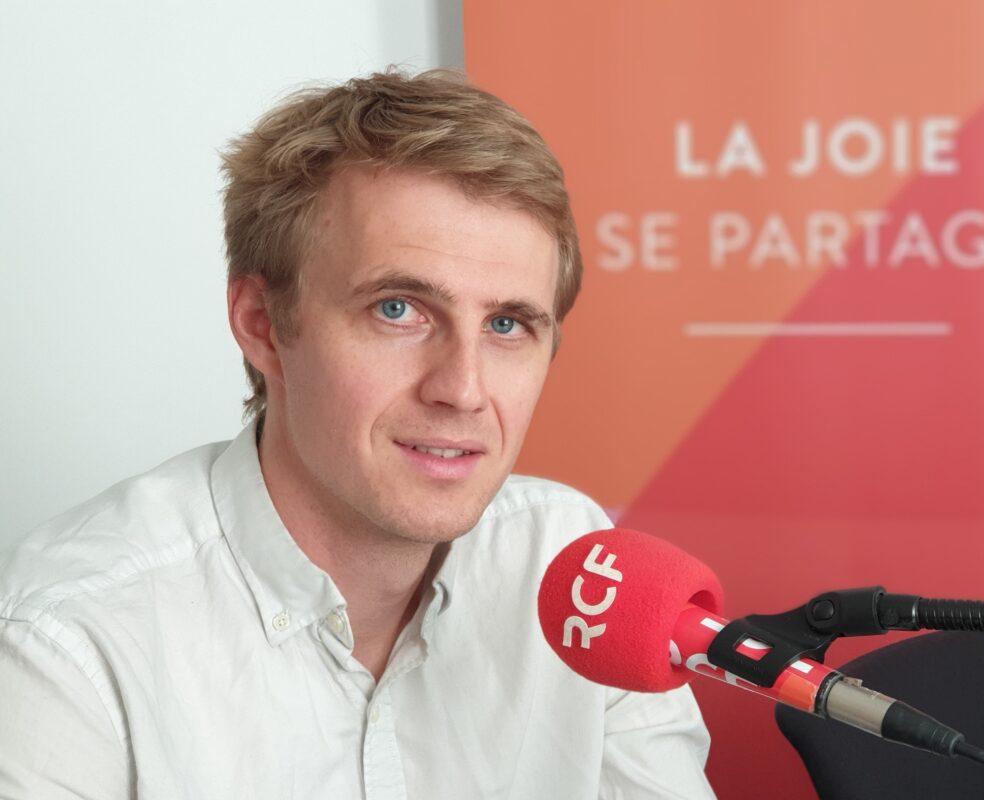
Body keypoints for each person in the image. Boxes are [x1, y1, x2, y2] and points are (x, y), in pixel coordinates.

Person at [0, 69, 714, 799]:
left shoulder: (583, 582)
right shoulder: (68, 641)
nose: (462, 390)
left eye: (507, 325)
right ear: (264, 326)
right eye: (398, 311)